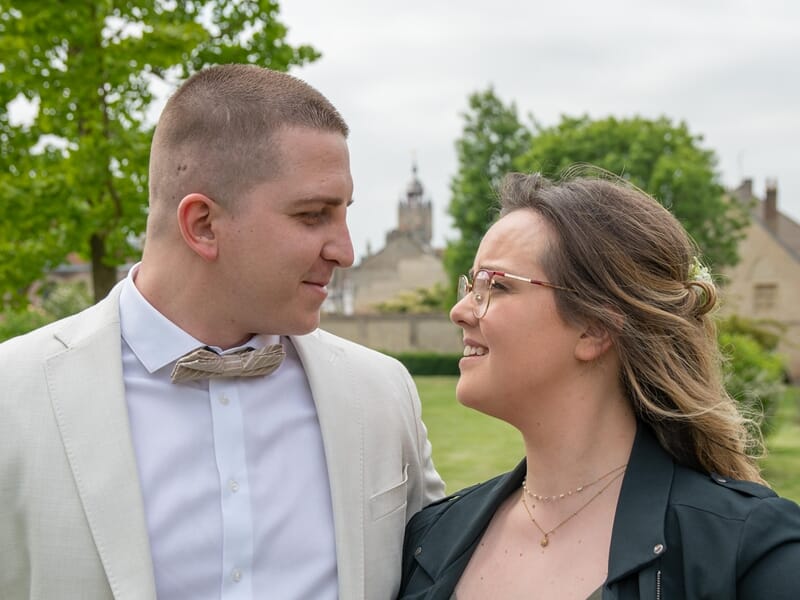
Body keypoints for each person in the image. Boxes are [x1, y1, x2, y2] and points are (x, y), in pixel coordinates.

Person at [0, 64, 444, 600]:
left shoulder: (382, 392)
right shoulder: (12, 397)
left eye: (344, 214)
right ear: (203, 225)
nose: (345, 251)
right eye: (312, 216)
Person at [398, 170, 800, 599]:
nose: (460, 310)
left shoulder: (749, 554)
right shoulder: (430, 540)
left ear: (594, 328)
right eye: (471, 285)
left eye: (496, 285)